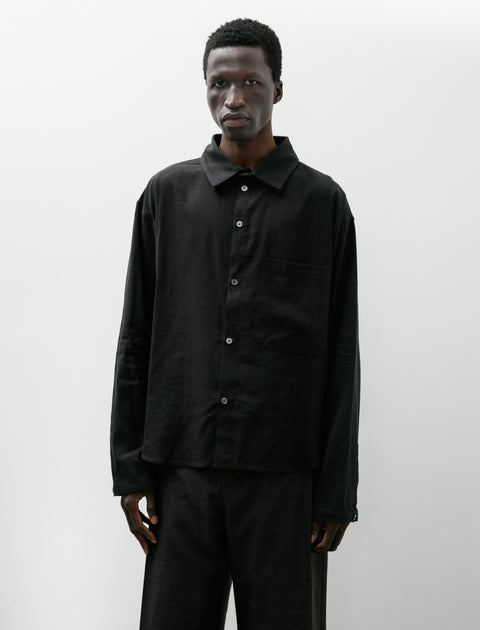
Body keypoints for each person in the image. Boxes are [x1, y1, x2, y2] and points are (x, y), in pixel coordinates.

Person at [110, 17, 360, 630]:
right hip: (182, 472)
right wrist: (130, 468)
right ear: (205, 87)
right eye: (219, 83)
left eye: (251, 82)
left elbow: (341, 353)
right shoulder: (166, 197)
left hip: (284, 479)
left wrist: (336, 490)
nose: (234, 98)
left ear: (278, 89)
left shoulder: (322, 203)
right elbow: (136, 336)